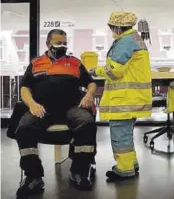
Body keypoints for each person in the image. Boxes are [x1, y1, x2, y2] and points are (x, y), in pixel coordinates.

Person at [15, 29, 97, 197]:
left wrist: (89, 95)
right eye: (58, 43)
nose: (63, 46)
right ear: (48, 43)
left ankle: (79, 172)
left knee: (86, 122)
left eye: (65, 43)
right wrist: (31, 104)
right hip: (42, 109)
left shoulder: (74, 63)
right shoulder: (36, 63)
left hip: (71, 108)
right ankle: (33, 177)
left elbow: (91, 83)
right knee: (24, 126)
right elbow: (24, 88)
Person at [90, 11, 152, 182]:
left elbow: (114, 71)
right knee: (126, 134)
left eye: (111, 27)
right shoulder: (133, 39)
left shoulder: (125, 42)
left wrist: (96, 71)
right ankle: (131, 164)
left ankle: (124, 170)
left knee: (120, 134)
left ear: (117, 27)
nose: (111, 30)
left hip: (124, 99)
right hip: (132, 98)